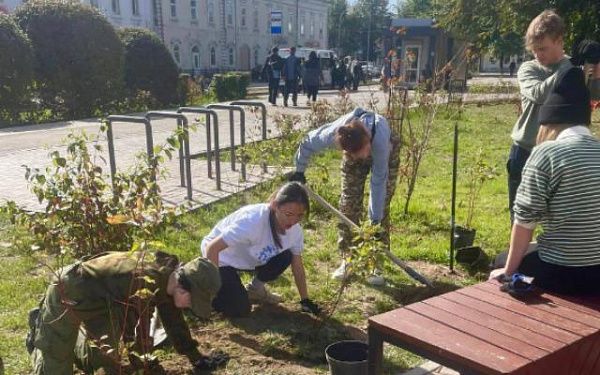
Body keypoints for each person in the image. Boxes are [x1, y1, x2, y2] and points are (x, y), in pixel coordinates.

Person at [490, 67, 600, 296]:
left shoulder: (547, 154)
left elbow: (524, 223)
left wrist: (507, 272)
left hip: (562, 272)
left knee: (500, 259)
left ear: (548, 124)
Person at [28, 250, 221, 374]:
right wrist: (145, 367)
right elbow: (132, 336)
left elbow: (173, 320)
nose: (190, 307)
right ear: (182, 288)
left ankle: (77, 339)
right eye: (192, 301)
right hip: (70, 294)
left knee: (101, 361)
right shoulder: (141, 284)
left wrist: (196, 358)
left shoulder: (167, 278)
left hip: (106, 301)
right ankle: (39, 332)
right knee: (56, 364)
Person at [506, 10, 600, 222]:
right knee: (521, 217)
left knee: (561, 218)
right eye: (534, 50)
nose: (538, 55)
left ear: (559, 41)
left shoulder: (574, 66)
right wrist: (572, 67)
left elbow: (594, 97)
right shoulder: (529, 68)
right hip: (526, 150)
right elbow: (540, 94)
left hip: (564, 155)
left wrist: (595, 65)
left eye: (542, 49)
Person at [289, 108, 400, 285]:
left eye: (362, 153)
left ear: (367, 143)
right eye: (354, 155)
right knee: (348, 204)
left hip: (386, 149)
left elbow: (378, 182)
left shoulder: (380, 143)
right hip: (354, 143)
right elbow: (308, 142)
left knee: (382, 206)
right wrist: (299, 171)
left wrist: (375, 220)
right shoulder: (335, 134)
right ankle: (348, 260)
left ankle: (374, 263)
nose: (361, 158)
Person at [201, 182, 321, 317]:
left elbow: (297, 265)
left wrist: (305, 299)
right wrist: (213, 290)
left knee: (286, 256)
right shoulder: (252, 221)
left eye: (299, 215)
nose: (293, 221)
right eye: (289, 214)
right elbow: (212, 248)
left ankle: (255, 290)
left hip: (251, 257)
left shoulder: (295, 231)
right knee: (239, 309)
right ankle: (194, 285)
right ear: (275, 205)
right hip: (222, 258)